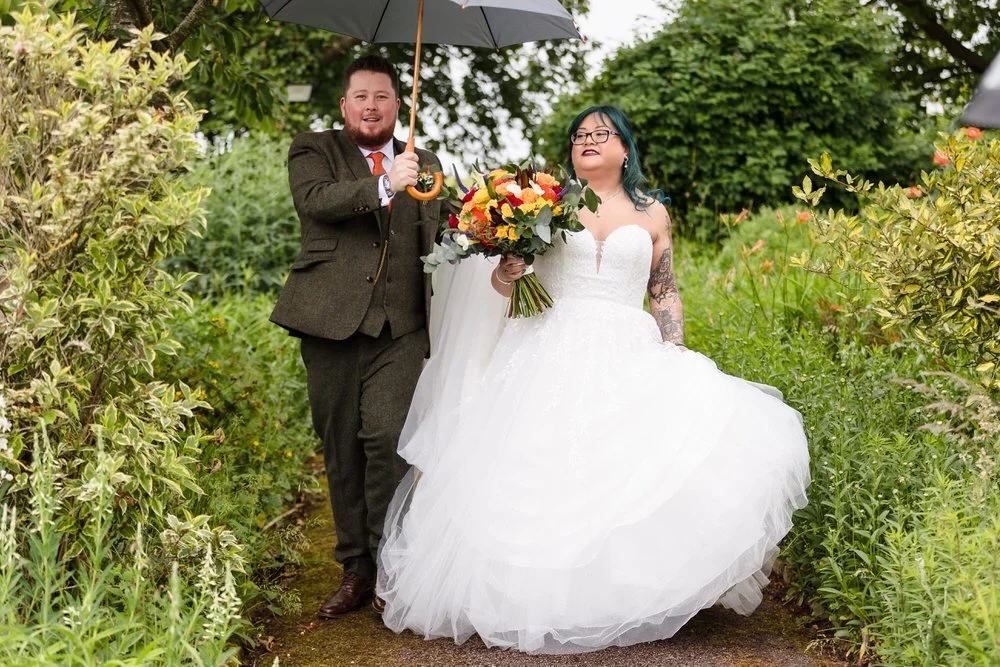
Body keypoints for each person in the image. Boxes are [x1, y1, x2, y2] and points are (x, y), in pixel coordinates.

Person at [374, 105, 811, 654]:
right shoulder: (548, 203)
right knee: (537, 467)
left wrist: (674, 347)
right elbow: (507, 290)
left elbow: (664, 289)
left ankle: (618, 597)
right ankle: (532, 597)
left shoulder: (653, 215)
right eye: (580, 134)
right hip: (543, 345)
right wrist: (507, 271)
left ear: (624, 149)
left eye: (601, 134)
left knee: (632, 466)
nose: (588, 140)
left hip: (627, 347)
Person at [269, 54, 444, 620]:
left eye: (383, 97)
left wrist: (501, 232)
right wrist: (381, 184)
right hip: (329, 322)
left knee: (389, 439)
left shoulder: (427, 162)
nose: (372, 106)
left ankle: (391, 564)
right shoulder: (313, 149)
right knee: (342, 446)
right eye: (361, 97)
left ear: (400, 105)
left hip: (402, 327)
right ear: (345, 105)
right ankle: (356, 570)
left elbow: (444, 235)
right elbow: (315, 201)